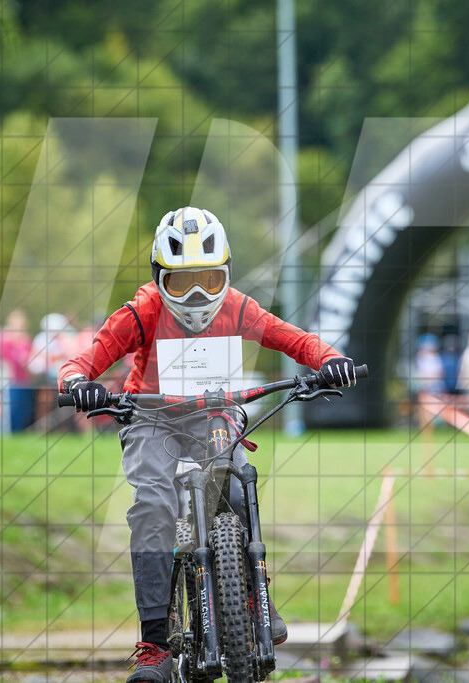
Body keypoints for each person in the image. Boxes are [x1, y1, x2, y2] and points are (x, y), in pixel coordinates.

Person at [58, 207, 355, 683]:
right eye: (181, 283)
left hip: (215, 411)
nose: (197, 295)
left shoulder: (238, 307)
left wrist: (331, 359)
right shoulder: (142, 311)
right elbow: (82, 361)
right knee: (153, 505)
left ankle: (254, 594)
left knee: (237, 489)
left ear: (227, 276)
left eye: (209, 280)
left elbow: (295, 340)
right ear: (159, 279)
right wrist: (78, 383)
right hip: (150, 415)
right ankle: (154, 643)